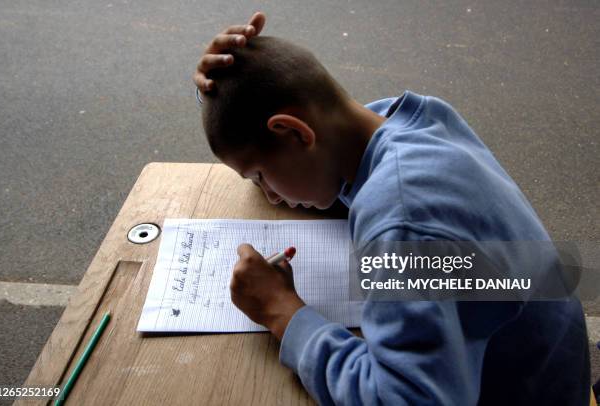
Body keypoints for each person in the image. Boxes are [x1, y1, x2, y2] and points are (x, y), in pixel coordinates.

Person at [192, 12, 591, 405]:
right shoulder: (413, 122)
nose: (271, 196)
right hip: (543, 362)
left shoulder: (406, 224)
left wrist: (281, 311)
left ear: (294, 132)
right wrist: (225, 97)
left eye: (260, 175)